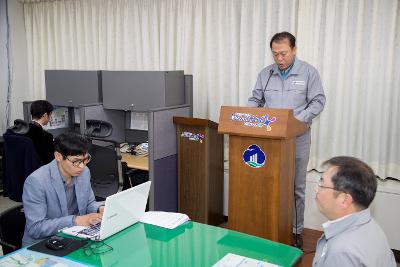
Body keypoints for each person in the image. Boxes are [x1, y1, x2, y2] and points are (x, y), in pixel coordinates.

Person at [248, 32, 326, 245]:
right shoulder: (266, 74)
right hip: (270, 140)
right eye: (275, 54)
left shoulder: (308, 72)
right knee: (270, 183)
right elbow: (255, 99)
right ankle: (270, 225)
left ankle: (296, 231)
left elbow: (318, 101)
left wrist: (295, 122)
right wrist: (251, 117)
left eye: (283, 54)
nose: (279, 59)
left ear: (294, 50)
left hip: (297, 138)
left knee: (295, 187)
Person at [22, 132, 103, 246]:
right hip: (43, 244)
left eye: (85, 159)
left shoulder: (84, 172)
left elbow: (89, 203)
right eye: (76, 161)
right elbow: (36, 228)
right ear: (58, 156)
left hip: (74, 236)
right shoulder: (36, 181)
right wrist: (75, 221)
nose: (82, 166)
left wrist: (100, 209)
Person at [313, 156, 396, 267]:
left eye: (322, 184)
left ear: (344, 200)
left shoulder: (342, 253)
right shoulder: (372, 228)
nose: (316, 189)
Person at [25, 100, 55, 164]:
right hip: (39, 170)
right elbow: (50, 161)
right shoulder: (46, 136)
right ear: (45, 115)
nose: (50, 118)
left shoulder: (22, 130)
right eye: (50, 115)